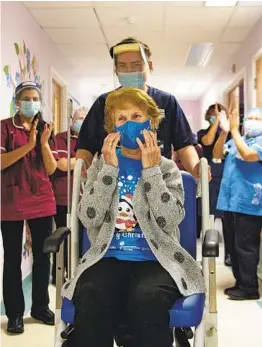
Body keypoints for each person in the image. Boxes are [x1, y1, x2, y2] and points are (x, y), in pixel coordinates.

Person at [62, 88, 205, 347]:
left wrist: (151, 171)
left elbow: (170, 220)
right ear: (112, 128)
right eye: (121, 118)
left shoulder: (167, 168)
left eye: (137, 115)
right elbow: (89, 217)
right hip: (108, 256)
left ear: (151, 122)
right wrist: (107, 170)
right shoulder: (101, 164)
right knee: (92, 292)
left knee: (146, 297)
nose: (129, 124)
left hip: (156, 258)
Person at [76, 37, 203, 180]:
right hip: (113, 183)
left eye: (136, 65)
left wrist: (196, 168)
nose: (129, 71)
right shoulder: (104, 103)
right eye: (122, 66)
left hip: (157, 180)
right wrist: (82, 167)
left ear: (150, 65)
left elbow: (184, 145)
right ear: (116, 70)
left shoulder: (166, 101)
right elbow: (85, 146)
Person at [0, 81, 57, 333]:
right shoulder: (3, 127)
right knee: (12, 258)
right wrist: (27, 145)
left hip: (41, 199)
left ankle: (40, 307)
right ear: (17, 101)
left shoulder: (45, 128)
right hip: (11, 201)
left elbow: (51, 168)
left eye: (36, 98)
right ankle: (15, 314)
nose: (32, 102)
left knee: (43, 256)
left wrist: (43, 144)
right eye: (27, 98)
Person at [213, 107, 262, 300]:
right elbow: (217, 155)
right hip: (230, 202)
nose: (252, 121)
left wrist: (234, 130)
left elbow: (249, 155)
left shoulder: (258, 142)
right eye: (250, 117)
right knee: (233, 247)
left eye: (257, 118)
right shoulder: (236, 141)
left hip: (250, 202)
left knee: (246, 246)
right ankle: (240, 283)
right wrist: (225, 132)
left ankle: (250, 288)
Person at [51, 106, 87, 284]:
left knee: (82, 239)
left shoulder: (91, 139)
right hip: (63, 198)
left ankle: (79, 275)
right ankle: (59, 277)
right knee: (63, 239)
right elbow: (62, 165)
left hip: (85, 200)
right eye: (78, 118)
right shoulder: (61, 139)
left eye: (84, 118)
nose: (81, 121)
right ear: (72, 120)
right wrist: (84, 160)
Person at [197, 103, 231, 264]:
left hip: (227, 175)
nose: (215, 116)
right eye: (212, 114)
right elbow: (208, 142)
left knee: (227, 215)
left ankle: (229, 254)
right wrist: (216, 122)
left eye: (218, 114)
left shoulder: (230, 134)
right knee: (208, 211)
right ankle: (208, 247)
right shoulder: (203, 133)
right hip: (210, 175)